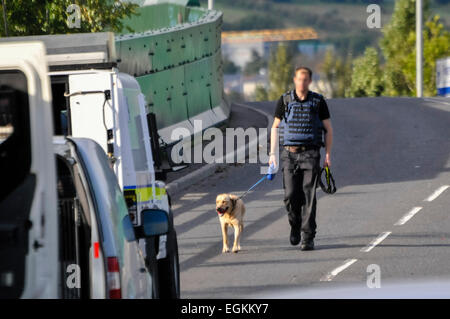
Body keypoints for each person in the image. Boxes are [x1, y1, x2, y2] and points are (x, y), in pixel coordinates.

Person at [269, 66, 333, 251]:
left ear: (310, 81)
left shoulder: (318, 102)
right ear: (294, 80)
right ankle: (295, 225)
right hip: (289, 154)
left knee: (309, 196)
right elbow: (274, 127)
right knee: (290, 196)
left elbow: (328, 129)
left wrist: (328, 155)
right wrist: (272, 155)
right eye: (299, 79)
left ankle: (308, 237)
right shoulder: (284, 100)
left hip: (311, 153)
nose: (302, 83)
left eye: (305, 80)